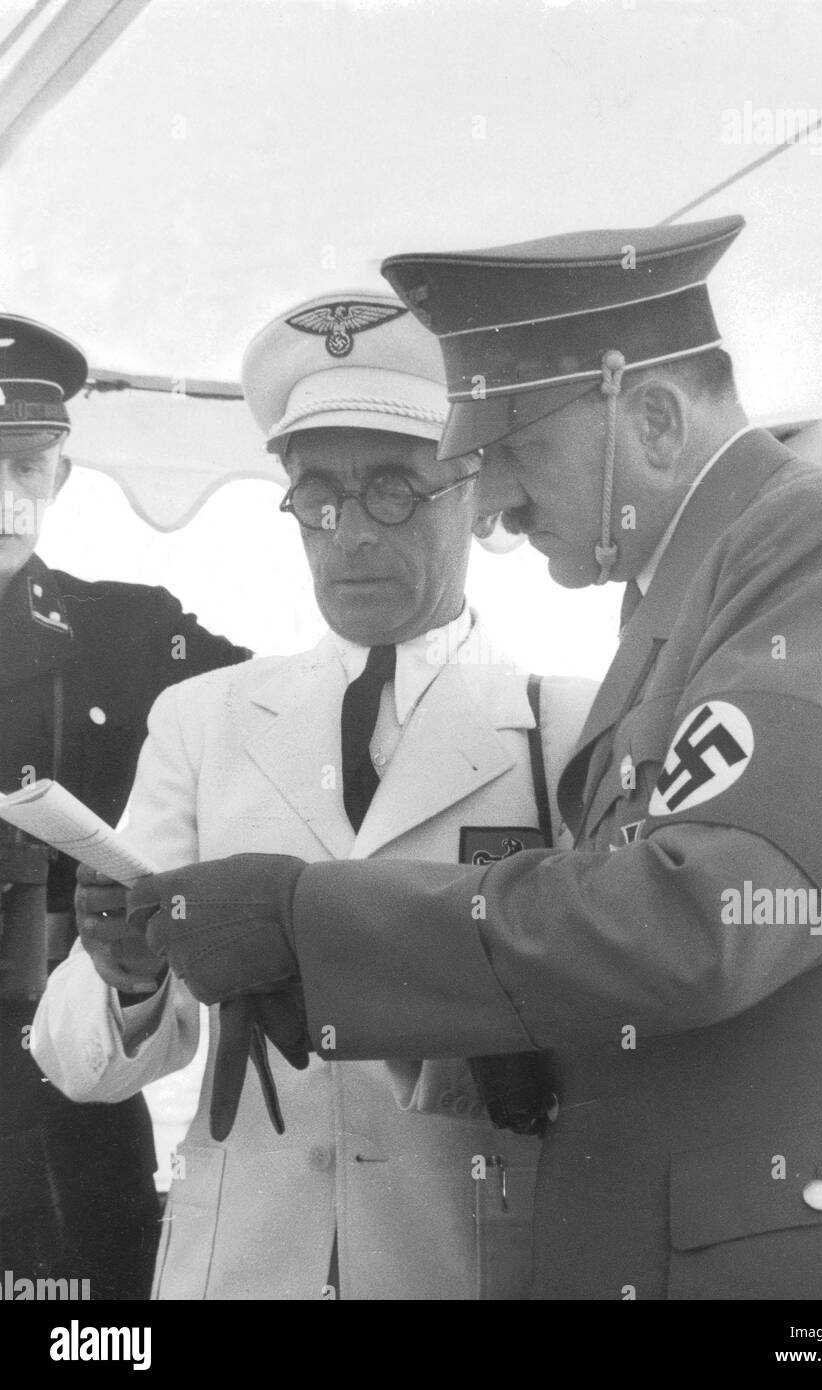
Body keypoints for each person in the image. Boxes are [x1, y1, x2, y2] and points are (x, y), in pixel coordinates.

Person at [41, 218, 822, 1300]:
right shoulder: (681, 610)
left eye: (506, 456)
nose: (501, 514)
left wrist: (303, 924)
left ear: (653, 419)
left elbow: (709, 914)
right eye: (317, 500)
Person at [32, 292, 596, 1300]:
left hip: (463, 1264)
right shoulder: (202, 720)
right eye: (317, 494)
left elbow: (618, 1026)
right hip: (241, 1268)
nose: (349, 534)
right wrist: (124, 976)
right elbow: (84, 1063)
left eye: (392, 489)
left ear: (473, 490)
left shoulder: (566, 730)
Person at [0, 314, 249, 1298]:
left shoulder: (133, 635)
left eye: (24, 462)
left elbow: (301, 720)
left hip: (62, 1119)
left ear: (60, 473)